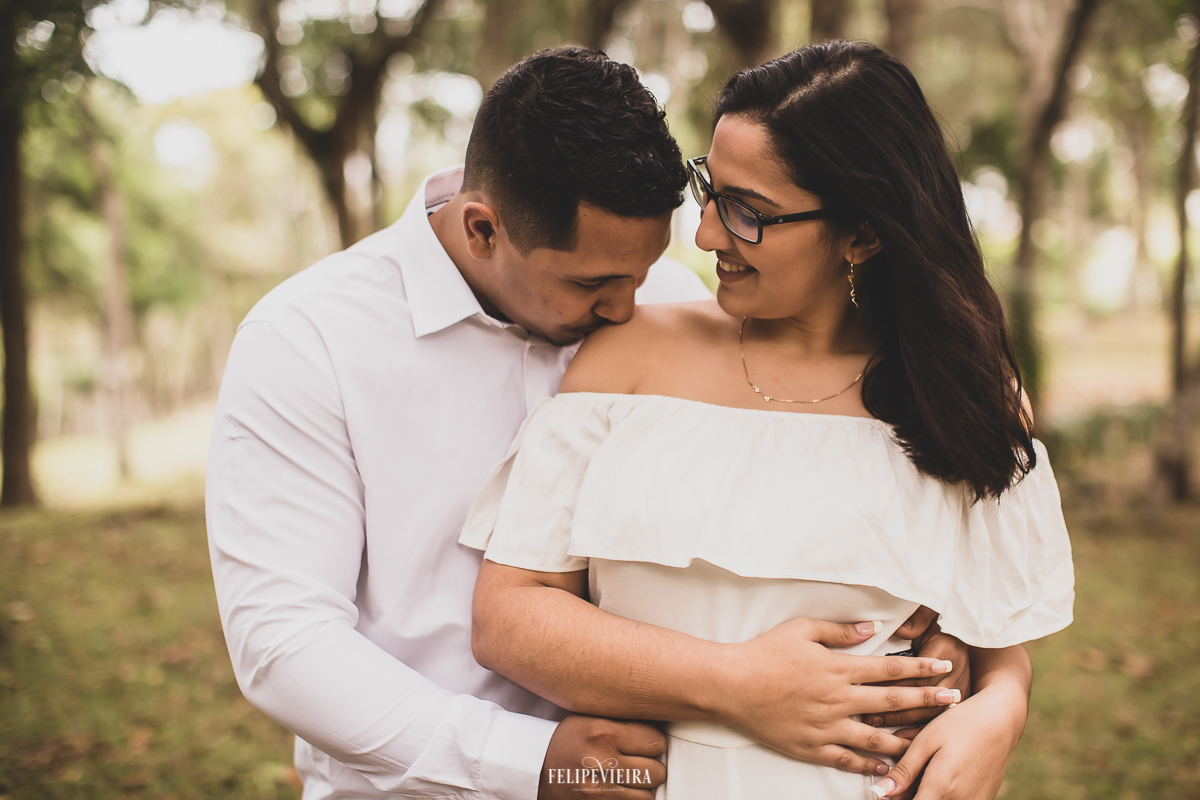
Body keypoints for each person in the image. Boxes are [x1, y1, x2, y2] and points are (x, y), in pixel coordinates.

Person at [208, 45, 979, 800]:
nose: (623, 309)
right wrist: (532, 761)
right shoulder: (309, 342)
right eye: (593, 283)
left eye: (640, 274)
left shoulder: (674, 312)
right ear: (483, 231)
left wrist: (964, 671)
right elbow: (285, 644)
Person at [462, 41, 1074, 800]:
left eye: (750, 211)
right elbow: (509, 618)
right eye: (710, 190)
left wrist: (1001, 712)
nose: (709, 235)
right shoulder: (630, 359)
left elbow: (994, 643)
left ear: (863, 234)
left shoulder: (965, 395)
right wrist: (737, 685)